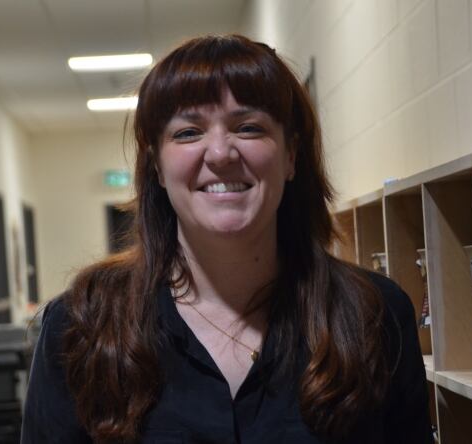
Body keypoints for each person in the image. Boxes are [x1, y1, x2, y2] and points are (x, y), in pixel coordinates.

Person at [22, 34, 432, 444]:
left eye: (249, 127)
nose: (220, 153)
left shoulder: (373, 315)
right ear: (157, 169)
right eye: (187, 133)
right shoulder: (84, 324)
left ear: (291, 156)